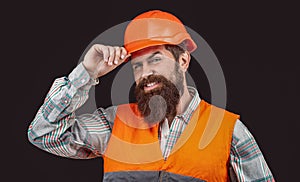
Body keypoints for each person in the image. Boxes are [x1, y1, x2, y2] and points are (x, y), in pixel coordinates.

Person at [27, 10, 274, 181]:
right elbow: (43, 133)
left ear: (184, 60)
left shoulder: (228, 131)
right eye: (138, 65)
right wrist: (86, 72)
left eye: (156, 59)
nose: (146, 73)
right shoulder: (115, 124)